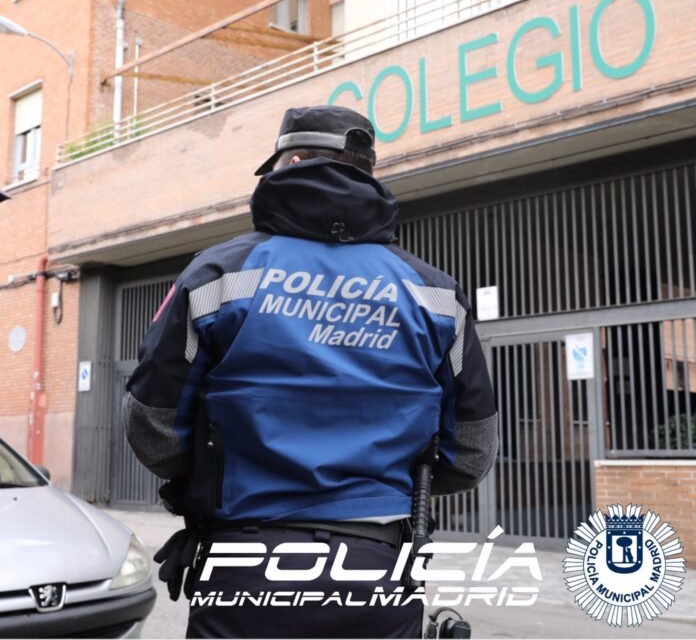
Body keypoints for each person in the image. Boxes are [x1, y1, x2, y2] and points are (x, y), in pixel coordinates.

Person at [123, 105, 497, 639]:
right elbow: (473, 452)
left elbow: (152, 426)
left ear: (292, 162)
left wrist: (213, 481)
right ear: (366, 171)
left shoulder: (217, 274)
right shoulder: (433, 292)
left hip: (244, 566)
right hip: (378, 571)